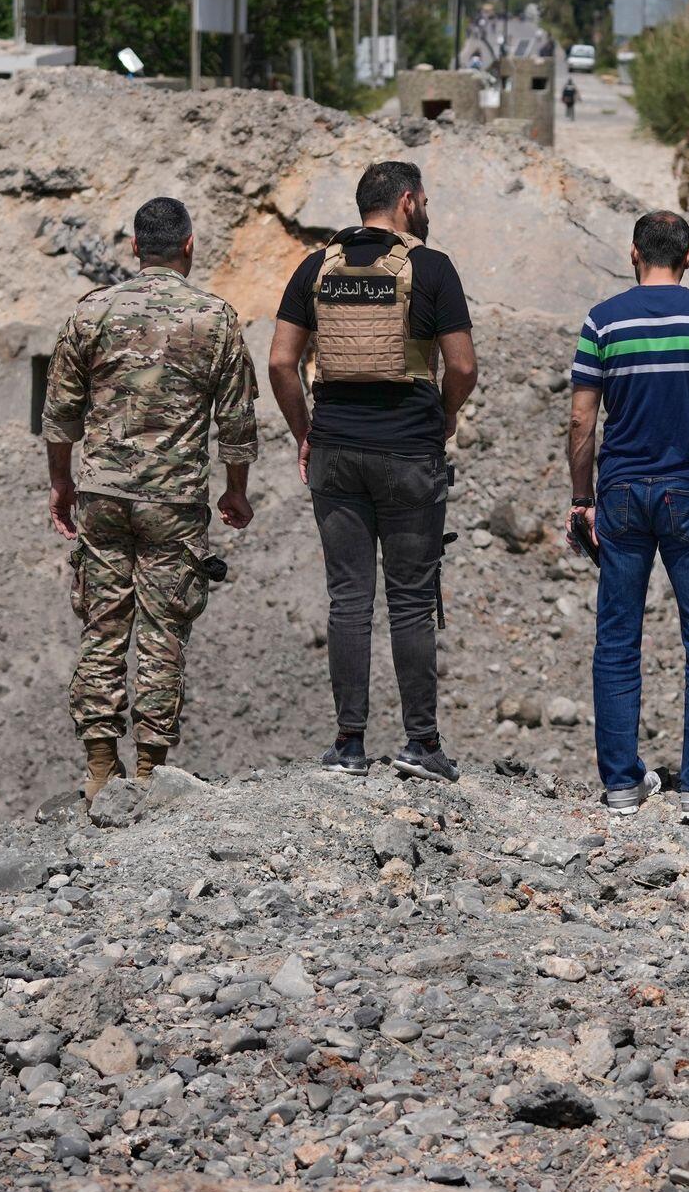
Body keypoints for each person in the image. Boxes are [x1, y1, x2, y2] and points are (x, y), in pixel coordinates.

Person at [267, 161, 478, 782]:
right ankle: (421, 745)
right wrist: (444, 415)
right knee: (410, 602)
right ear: (408, 201)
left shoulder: (316, 267)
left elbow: (280, 362)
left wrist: (305, 433)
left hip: (335, 452)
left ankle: (349, 746)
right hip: (410, 453)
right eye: (425, 199)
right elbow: (463, 366)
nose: (427, 209)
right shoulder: (432, 268)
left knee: (349, 600)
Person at [42, 197, 258, 799]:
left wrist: (61, 483)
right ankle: (149, 771)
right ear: (189, 246)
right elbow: (237, 421)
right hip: (174, 502)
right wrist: (236, 490)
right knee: (164, 631)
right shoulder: (214, 318)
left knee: (103, 626)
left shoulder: (92, 312)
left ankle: (98, 769)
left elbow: (60, 412)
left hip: (102, 495)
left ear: (135, 247)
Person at [566, 211, 689, 823]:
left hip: (621, 494)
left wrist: (582, 497)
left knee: (618, 638)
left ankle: (622, 783)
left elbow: (581, 419)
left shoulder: (602, 321)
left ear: (633, 253)